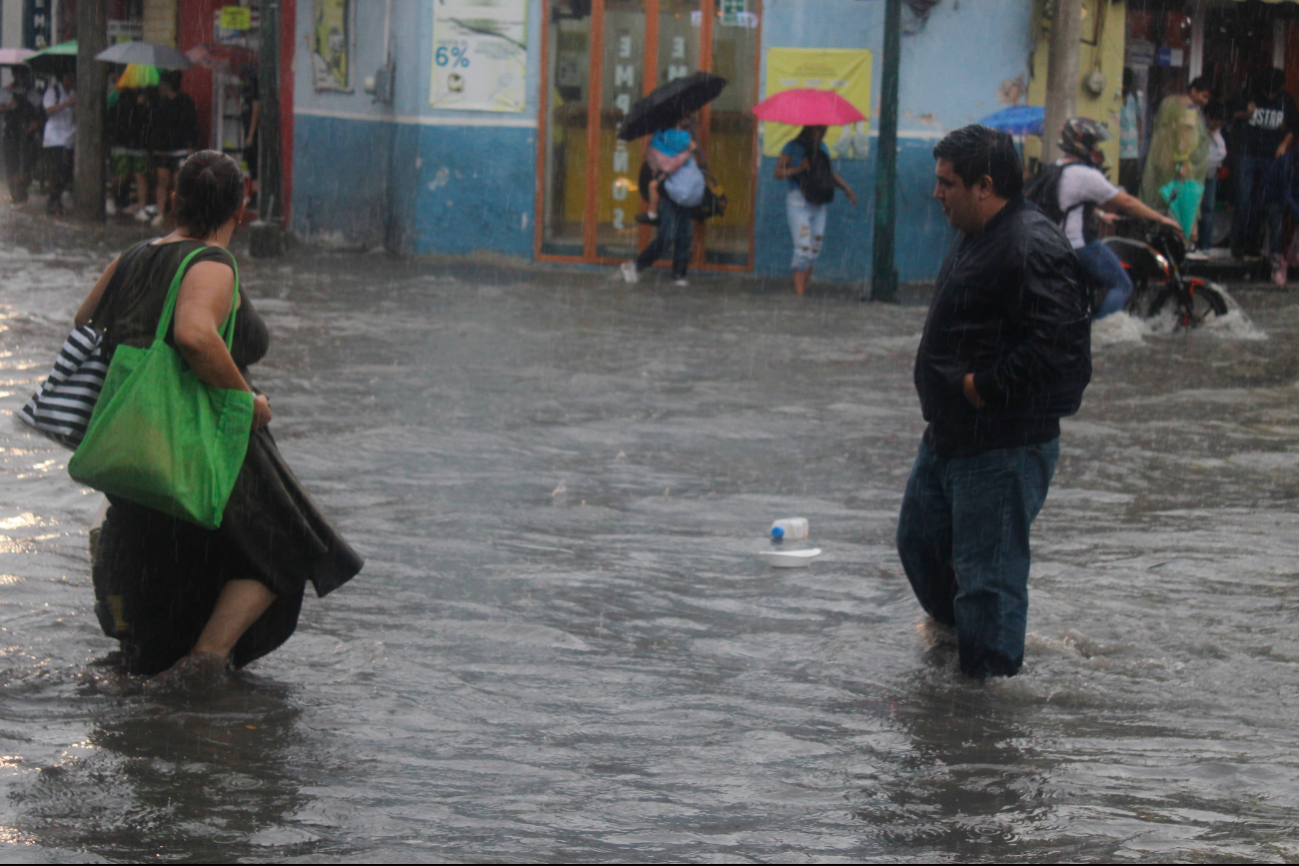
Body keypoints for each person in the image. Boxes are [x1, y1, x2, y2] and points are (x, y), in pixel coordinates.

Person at [75, 150, 363, 680]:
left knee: (181, 551)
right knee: (288, 546)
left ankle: (170, 659)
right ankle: (204, 662)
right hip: (203, 436)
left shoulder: (132, 257)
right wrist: (245, 401)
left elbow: (86, 319)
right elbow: (194, 335)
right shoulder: (211, 263)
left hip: (136, 438)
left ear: (174, 200)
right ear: (241, 206)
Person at [897, 125, 1092, 679]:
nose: (937, 194)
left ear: (984, 186)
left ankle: (988, 709)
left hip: (1001, 445)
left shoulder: (1032, 245)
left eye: (947, 184)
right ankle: (961, 651)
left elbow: (1064, 352)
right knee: (919, 542)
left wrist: (983, 386)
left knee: (989, 581)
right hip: (949, 436)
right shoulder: (976, 231)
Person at [1028, 117, 1182, 319]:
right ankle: (1101, 328)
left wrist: (1100, 214)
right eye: (1095, 144)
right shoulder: (1084, 174)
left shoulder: (1056, 168)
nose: (1097, 149)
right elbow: (1127, 203)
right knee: (1122, 284)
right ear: (1083, 145)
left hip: (1056, 243)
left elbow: (1065, 203)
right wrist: (1160, 219)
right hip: (1078, 245)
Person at [619, 115, 704, 287]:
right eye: (682, 120)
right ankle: (634, 265)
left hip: (684, 192)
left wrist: (690, 148)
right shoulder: (657, 144)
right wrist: (688, 151)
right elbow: (667, 166)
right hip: (667, 191)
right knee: (667, 236)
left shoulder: (684, 139)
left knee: (684, 236)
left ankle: (679, 273)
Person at [773, 125, 858, 295]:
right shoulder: (792, 146)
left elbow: (829, 173)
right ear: (809, 129)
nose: (822, 133)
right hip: (798, 199)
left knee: (814, 248)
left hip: (818, 200)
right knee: (803, 247)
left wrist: (845, 188)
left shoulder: (822, 147)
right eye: (819, 130)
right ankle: (799, 294)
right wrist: (799, 168)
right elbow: (777, 173)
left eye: (824, 130)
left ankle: (803, 289)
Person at [1231, 69, 1298, 258]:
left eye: (1273, 92)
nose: (1270, 96)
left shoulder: (1285, 99)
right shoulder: (1250, 94)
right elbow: (1230, 115)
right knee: (1243, 201)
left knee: (1263, 203)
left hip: (1271, 157)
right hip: (1248, 154)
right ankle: (1237, 247)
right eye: (1268, 92)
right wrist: (1246, 113)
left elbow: (1295, 125)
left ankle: (1254, 246)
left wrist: (1284, 145)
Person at [1139, 76, 1211, 240]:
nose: (1205, 101)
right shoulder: (1189, 107)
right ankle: (1179, 244)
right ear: (1193, 90)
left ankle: (1154, 239)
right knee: (1181, 210)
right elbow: (1184, 138)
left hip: (1160, 162)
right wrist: (1184, 164)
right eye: (1204, 96)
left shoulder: (1168, 101)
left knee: (1157, 205)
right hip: (1178, 167)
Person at [148, 71, 200, 229]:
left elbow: (193, 125)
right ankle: (161, 213)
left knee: (179, 182)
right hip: (163, 149)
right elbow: (154, 127)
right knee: (162, 181)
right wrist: (156, 146)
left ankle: (178, 213)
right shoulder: (158, 103)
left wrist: (191, 145)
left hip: (181, 149)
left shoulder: (185, 102)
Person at [635, 121, 695, 227]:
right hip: (674, 187)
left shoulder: (663, 139)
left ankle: (653, 215)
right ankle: (654, 216)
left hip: (673, 187)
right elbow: (670, 165)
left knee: (672, 232)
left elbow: (669, 165)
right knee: (675, 230)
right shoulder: (679, 139)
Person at [0, 66, 43, 204]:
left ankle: (22, 190)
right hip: (10, 134)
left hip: (26, 134)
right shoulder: (5, 92)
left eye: (23, 73)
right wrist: (8, 107)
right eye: (18, 73)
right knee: (11, 164)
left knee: (27, 164)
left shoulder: (32, 93)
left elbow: (40, 110)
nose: (21, 76)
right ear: (14, 74)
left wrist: (35, 123)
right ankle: (14, 192)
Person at [106, 86, 151, 216]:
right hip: (122, 142)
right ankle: (110, 196)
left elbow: (149, 120)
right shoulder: (120, 97)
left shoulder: (148, 96)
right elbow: (114, 117)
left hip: (140, 143)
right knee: (121, 175)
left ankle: (142, 209)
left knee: (141, 176)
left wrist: (145, 106)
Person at [41, 68, 77, 217]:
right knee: (58, 169)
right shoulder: (53, 92)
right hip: (54, 137)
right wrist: (66, 103)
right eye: (70, 78)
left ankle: (57, 199)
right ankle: (53, 202)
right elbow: (48, 111)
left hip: (69, 137)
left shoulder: (74, 93)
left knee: (66, 170)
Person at [1198, 102, 1228, 252]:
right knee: (1193, 209)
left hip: (1211, 174)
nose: (1217, 125)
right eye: (1215, 122)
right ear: (1207, 117)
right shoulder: (1198, 129)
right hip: (1195, 173)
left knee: (1208, 210)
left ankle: (1204, 247)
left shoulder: (1219, 133)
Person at [1118, 69, 1144, 195]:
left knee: (1128, 185)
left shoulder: (1132, 98)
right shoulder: (1115, 97)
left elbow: (1139, 117)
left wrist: (1139, 138)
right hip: (1118, 150)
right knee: (1118, 183)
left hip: (1131, 151)